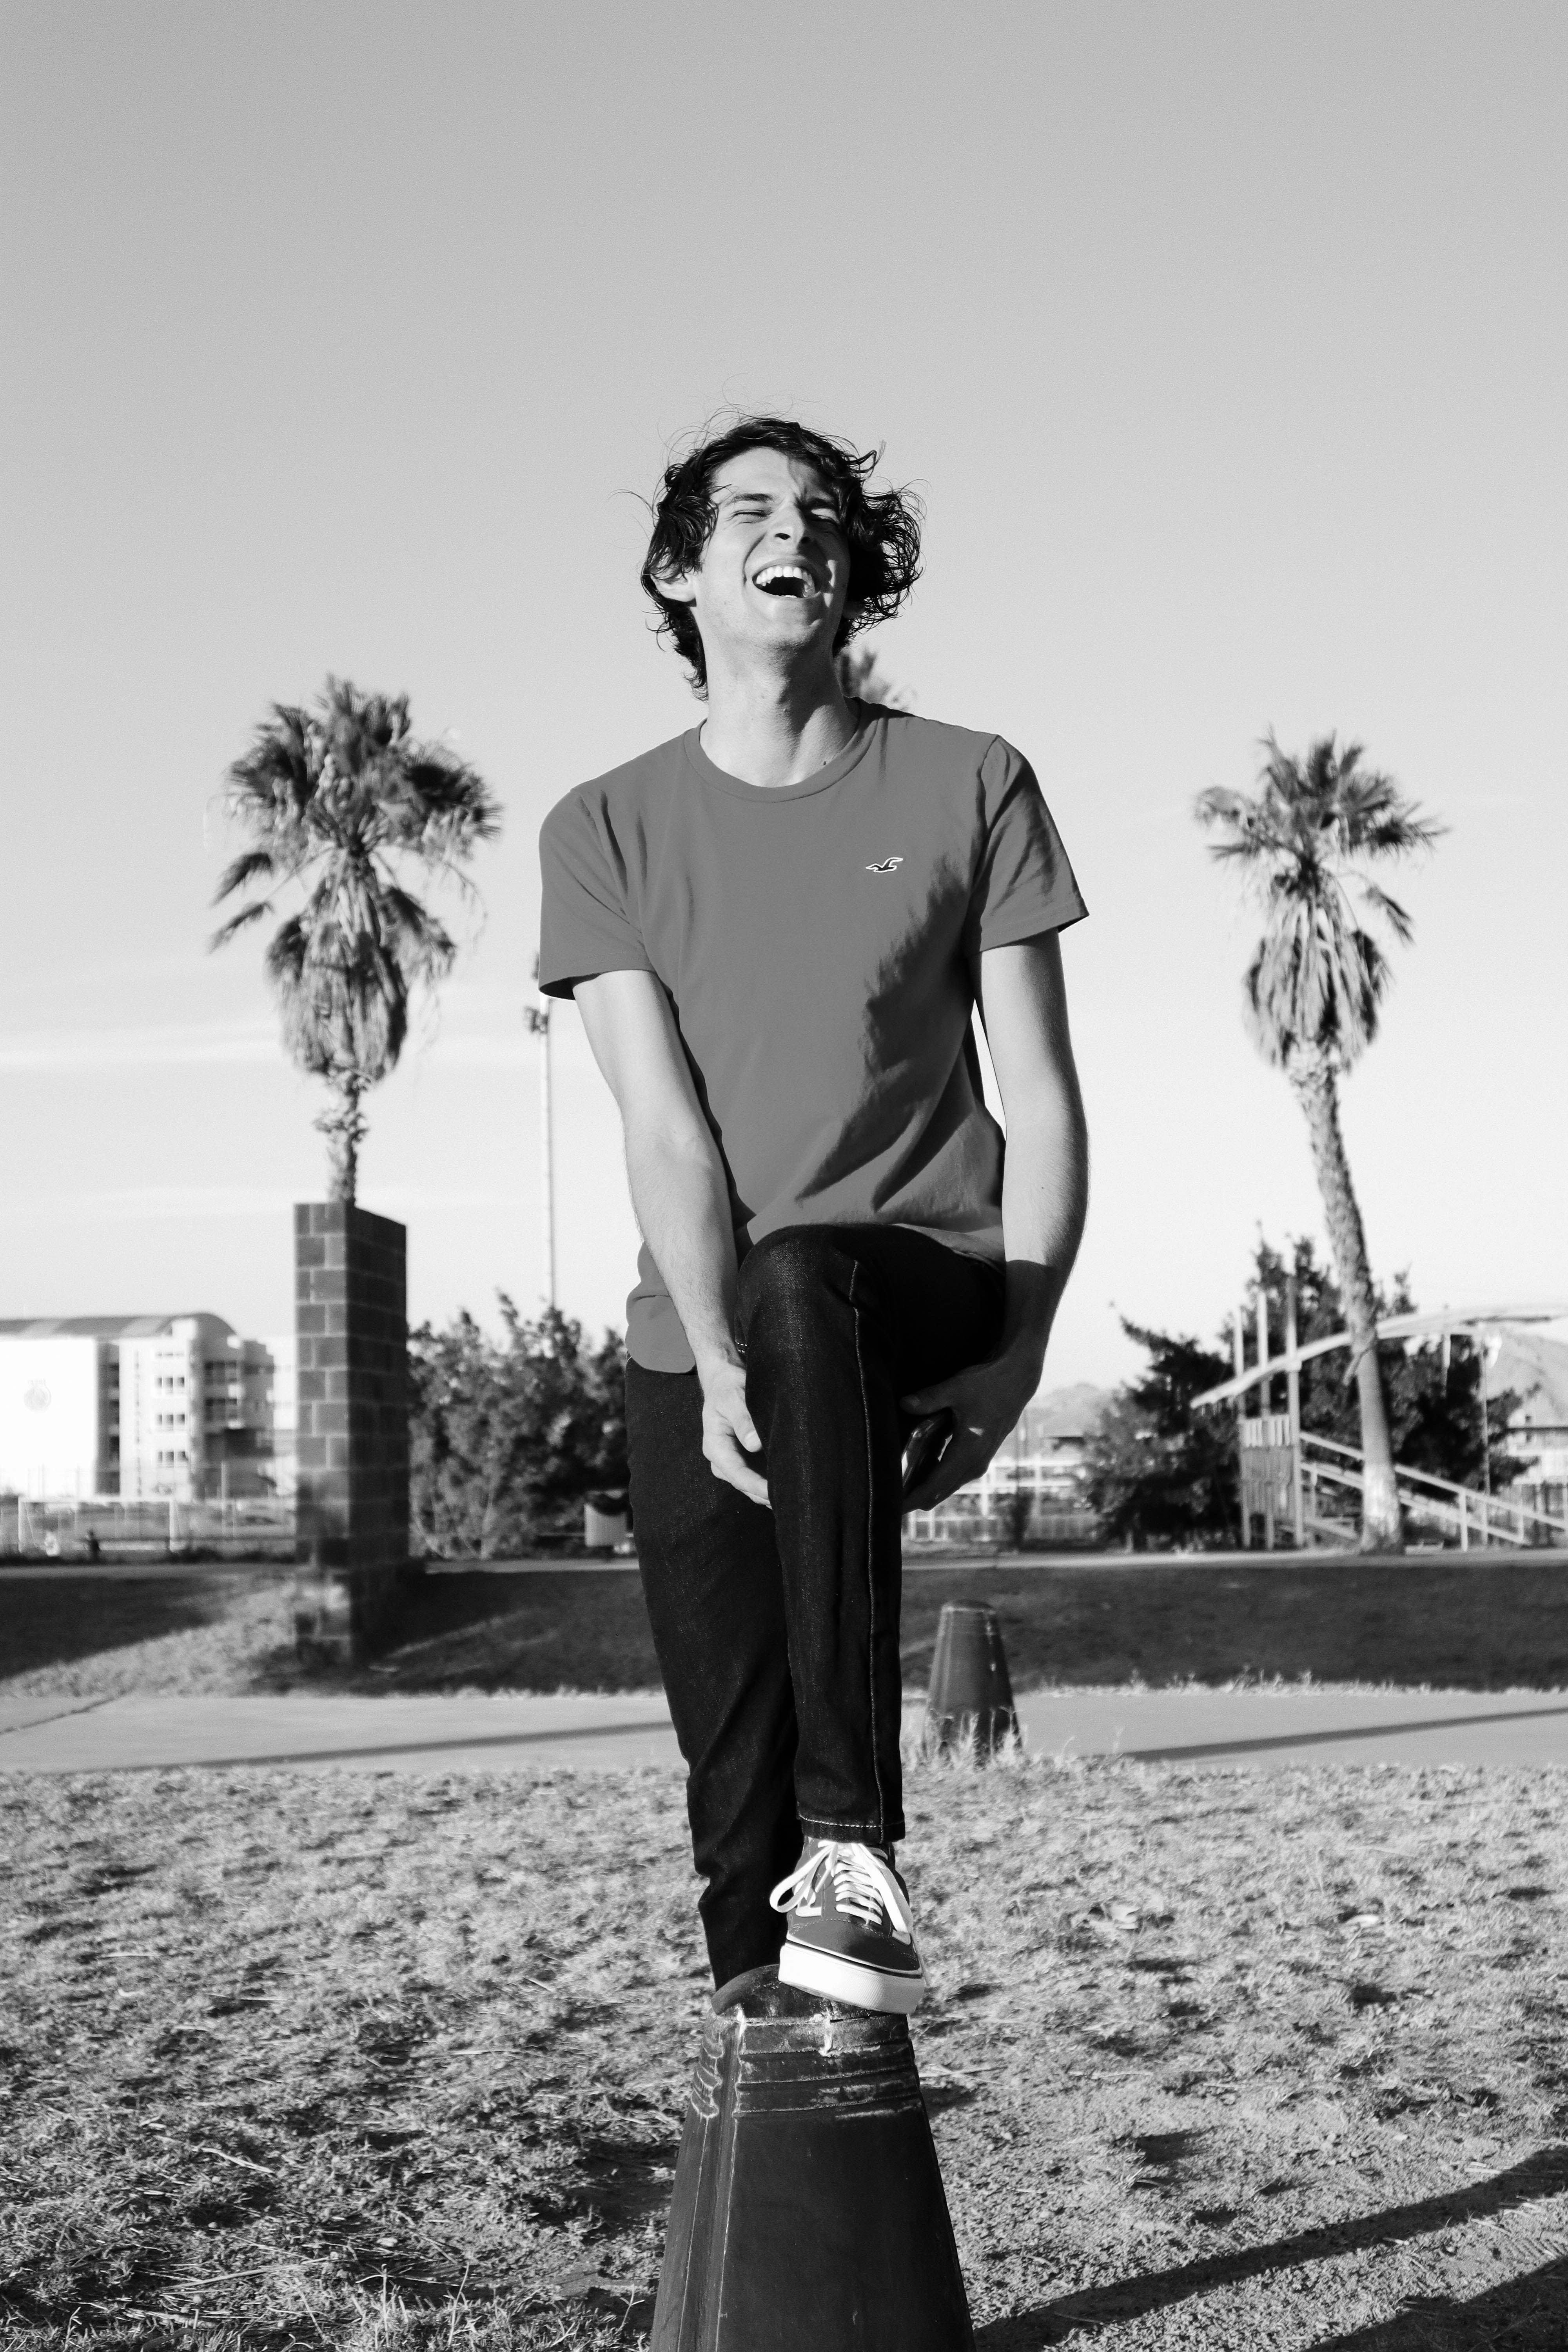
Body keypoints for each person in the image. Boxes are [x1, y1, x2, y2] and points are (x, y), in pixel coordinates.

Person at [538, 416, 1088, 2014]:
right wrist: (712, 1361)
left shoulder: (971, 782)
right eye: (757, 511)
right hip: (705, 1324)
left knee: (804, 1278)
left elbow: (1043, 1101)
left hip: (917, 1278)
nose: (802, 531)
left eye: (829, 512)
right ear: (680, 571)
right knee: (732, 1792)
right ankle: (782, 2070)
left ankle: (857, 1843)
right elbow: (661, 1128)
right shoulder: (605, 826)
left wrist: (1018, 1355)